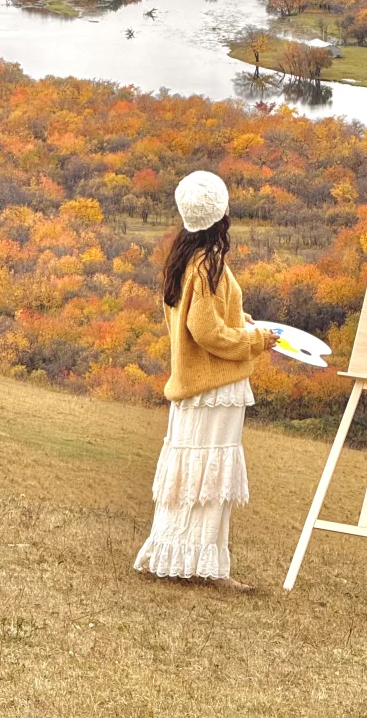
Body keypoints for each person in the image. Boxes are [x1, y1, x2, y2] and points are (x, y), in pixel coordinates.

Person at [134, 169, 276, 592]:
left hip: (192, 385)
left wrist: (239, 319)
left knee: (190, 473)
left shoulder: (184, 258)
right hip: (214, 386)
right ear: (221, 212)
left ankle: (176, 554)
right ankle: (205, 567)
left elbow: (202, 318)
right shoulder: (209, 263)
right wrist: (254, 340)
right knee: (208, 475)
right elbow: (207, 333)